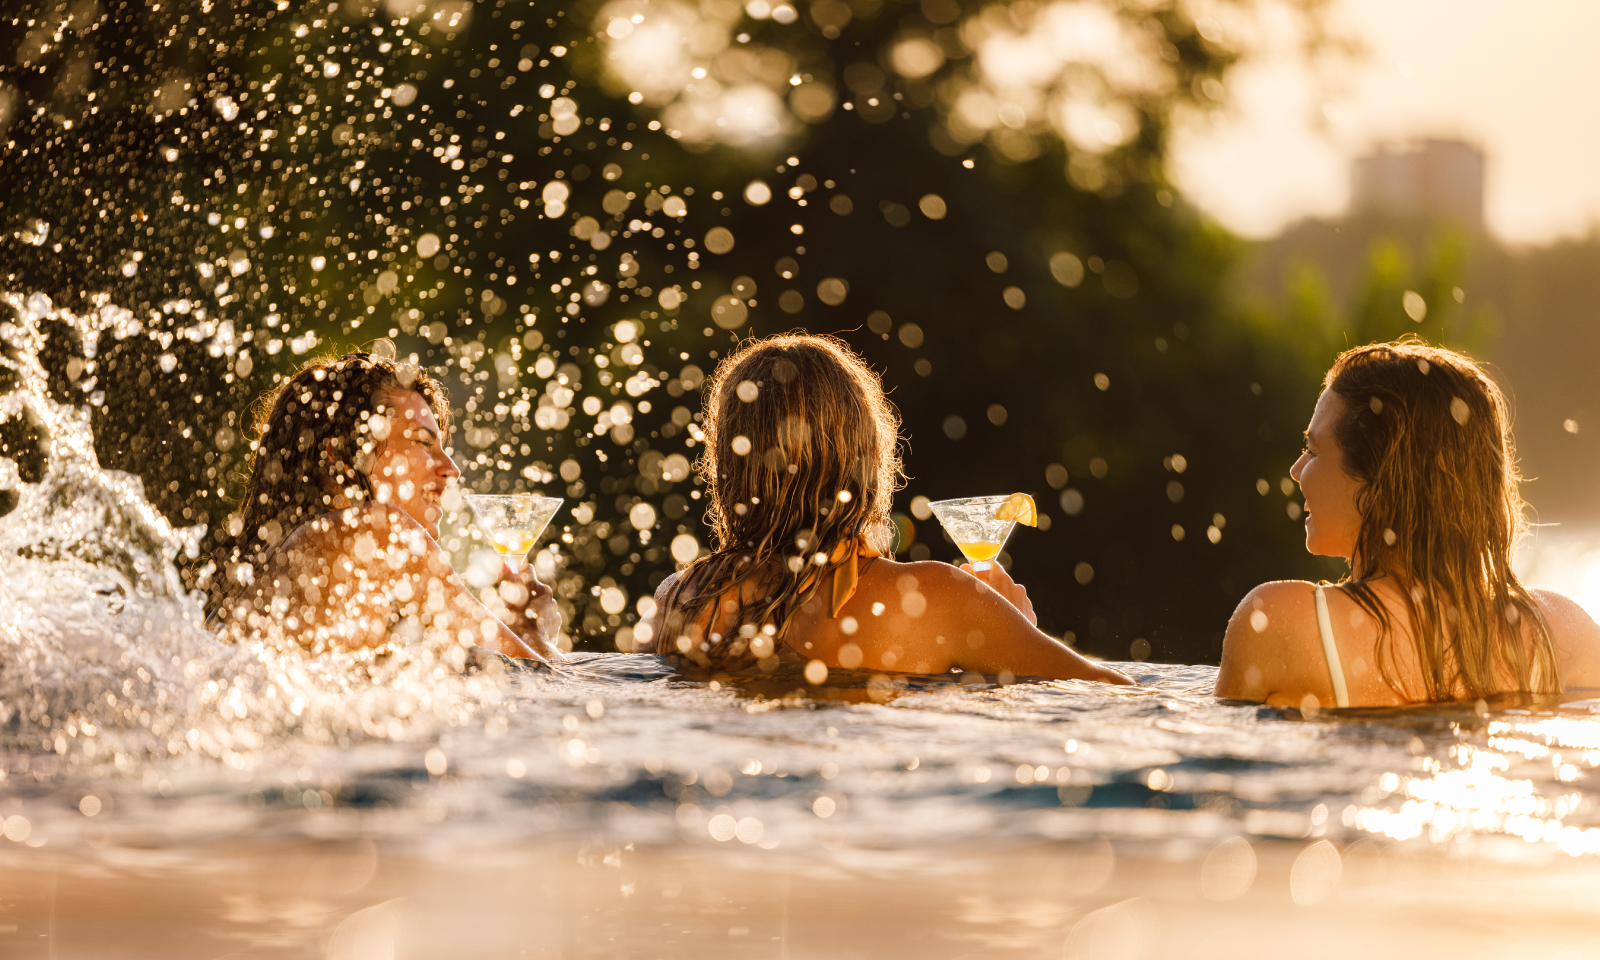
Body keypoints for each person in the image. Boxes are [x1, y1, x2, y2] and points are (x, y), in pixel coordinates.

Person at [639, 333, 1131, 685]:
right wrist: (1016, 632)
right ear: (869, 461)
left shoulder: (679, 601)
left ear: (727, 468)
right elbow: (1113, 698)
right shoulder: (939, 599)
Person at [1216, 339, 1600, 708]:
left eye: (1313, 450)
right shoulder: (1568, 634)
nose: (1297, 470)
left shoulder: (1277, 621)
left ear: (1374, 481)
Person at [200, 348, 562, 663]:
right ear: (343, 458)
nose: (451, 470)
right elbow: (538, 684)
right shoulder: (377, 530)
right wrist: (532, 631)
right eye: (423, 442)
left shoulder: (301, 561)